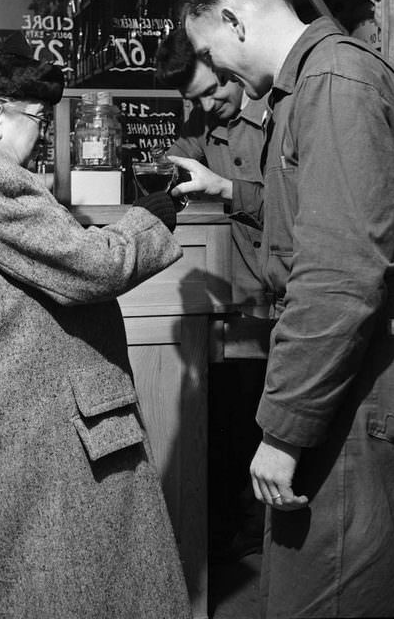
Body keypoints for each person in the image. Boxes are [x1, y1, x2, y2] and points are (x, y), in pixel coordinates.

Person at [175, 0, 394, 617]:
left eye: (206, 48)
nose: (213, 68)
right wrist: (235, 192)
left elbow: (339, 272)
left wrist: (283, 431)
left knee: (328, 601)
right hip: (358, 378)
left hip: (360, 382)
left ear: (233, 19)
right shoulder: (319, 83)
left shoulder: (332, 83)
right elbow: (318, 214)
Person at [0, 40, 192, 619]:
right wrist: (151, 217)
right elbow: (93, 270)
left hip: (16, 429)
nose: (42, 135)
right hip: (41, 438)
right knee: (65, 590)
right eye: (37, 119)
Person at [156, 28, 270, 560]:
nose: (206, 106)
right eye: (194, 101)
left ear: (227, 62)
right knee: (229, 434)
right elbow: (179, 157)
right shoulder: (207, 116)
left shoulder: (283, 108)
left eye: (211, 92)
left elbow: (303, 208)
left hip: (288, 310)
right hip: (241, 311)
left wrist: (225, 189)